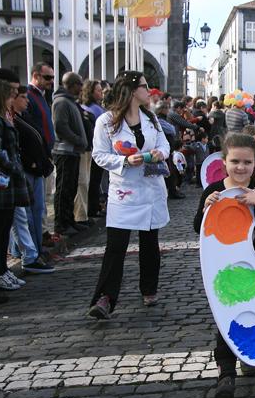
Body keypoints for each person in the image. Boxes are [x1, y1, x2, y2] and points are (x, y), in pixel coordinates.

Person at [193, 133, 255, 398]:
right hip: (222, 269)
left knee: (252, 313)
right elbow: (198, 228)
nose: (240, 167)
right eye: (235, 161)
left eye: (247, 162)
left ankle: (250, 355)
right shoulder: (214, 191)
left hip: (254, 268)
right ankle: (225, 374)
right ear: (224, 162)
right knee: (225, 318)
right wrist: (206, 209)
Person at [87, 72, 170, 319]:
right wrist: (124, 160)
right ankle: (105, 298)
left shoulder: (151, 118)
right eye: (145, 87)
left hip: (151, 188)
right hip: (124, 192)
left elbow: (165, 145)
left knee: (149, 243)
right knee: (116, 246)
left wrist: (159, 153)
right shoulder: (106, 121)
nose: (150, 91)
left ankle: (149, 288)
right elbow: (99, 155)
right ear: (133, 91)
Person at [8, 81, 55, 274]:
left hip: (36, 170)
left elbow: (38, 137)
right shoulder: (12, 120)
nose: (27, 100)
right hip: (25, 171)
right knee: (24, 216)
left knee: (35, 211)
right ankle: (28, 254)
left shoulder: (24, 116)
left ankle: (33, 251)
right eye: (23, 97)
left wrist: (43, 160)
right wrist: (32, 163)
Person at [0, 79, 30, 291]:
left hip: (8, 185)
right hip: (1, 183)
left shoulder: (2, 119)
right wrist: (13, 167)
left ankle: (3, 270)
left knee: (4, 230)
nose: (12, 100)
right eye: (10, 96)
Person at [51, 72, 88, 236]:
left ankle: (69, 220)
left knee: (71, 188)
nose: (82, 88)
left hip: (73, 151)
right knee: (64, 188)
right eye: (80, 84)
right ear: (72, 85)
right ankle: (61, 224)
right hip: (65, 151)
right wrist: (78, 139)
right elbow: (61, 126)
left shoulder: (70, 102)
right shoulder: (61, 102)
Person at [22, 62, 56, 237]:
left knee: (43, 199)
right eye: (48, 77)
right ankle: (39, 234)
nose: (51, 81)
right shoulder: (28, 95)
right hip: (35, 156)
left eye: (52, 77)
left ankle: (42, 232)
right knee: (36, 202)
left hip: (45, 153)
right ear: (36, 75)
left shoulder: (42, 96)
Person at [80, 80, 106, 219]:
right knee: (94, 180)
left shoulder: (94, 107)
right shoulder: (94, 109)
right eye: (98, 90)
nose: (101, 92)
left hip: (95, 147)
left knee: (94, 180)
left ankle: (94, 207)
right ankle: (93, 208)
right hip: (95, 148)